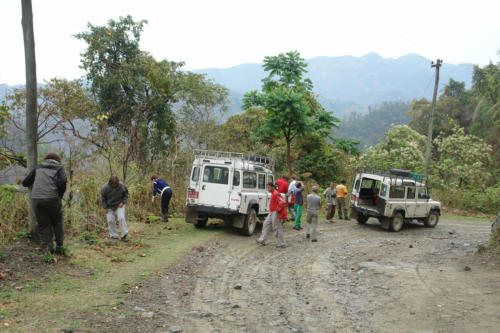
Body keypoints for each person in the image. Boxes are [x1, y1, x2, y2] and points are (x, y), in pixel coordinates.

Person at [22, 152, 67, 254]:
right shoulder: (59, 168)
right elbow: (63, 181)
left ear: (46, 159)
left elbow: (25, 182)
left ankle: (47, 249)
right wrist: (60, 195)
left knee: (43, 224)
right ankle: (59, 247)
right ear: (58, 160)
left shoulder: (38, 168)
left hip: (37, 198)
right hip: (52, 198)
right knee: (57, 222)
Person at [256, 182, 286, 248]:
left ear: (272, 187)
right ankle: (262, 240)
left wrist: (277, 210)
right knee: (266, 224)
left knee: (277, 227)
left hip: (275, 212)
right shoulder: (273, 193)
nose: (268, 189)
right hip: (272, 212)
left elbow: (283, 202)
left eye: (269, 187)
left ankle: (281, 243)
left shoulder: (276, 193)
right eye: (267, 187)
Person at [101, 175, 129, 242]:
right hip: (109, 205)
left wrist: (123, 202)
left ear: (118, 183)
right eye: (112, 184)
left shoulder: (122, 186)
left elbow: (126, 195)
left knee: (121, 218)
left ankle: (124, 235)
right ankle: (114, 236)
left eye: (115, 184)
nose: (114, 185)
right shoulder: (105, 188)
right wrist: (105, 207)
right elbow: (103, 198)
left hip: (120, 204)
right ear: (110, 183)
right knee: (110, 220)